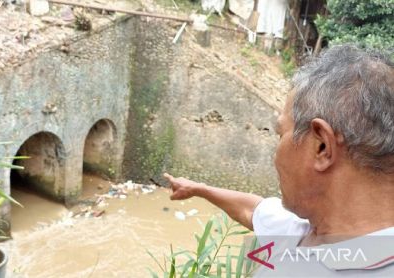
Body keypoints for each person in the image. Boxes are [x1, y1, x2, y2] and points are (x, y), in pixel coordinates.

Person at [164, 45, 394, 276]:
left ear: (322, 147)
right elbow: (252, 209)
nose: (276, 153)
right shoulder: (305, 231)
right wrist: (199, 189)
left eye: (280, 133)